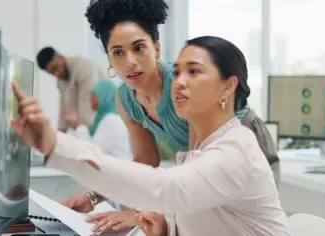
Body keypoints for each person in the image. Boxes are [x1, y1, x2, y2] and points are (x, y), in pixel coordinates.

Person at [11, 35, 291, 236]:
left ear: (228, 87)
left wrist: (54, 144)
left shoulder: (236, 149)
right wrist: (164, 229)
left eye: (194, 72)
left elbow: (168, 190)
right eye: (178, 71)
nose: (179, 81)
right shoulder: (199, 149)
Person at [60, 0, 280, 232]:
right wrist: (93, 197)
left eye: (138, 48)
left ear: (156, 48)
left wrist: (137, 215)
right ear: (109, 58)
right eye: (118, 53)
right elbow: (146, 161)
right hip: (201, 162)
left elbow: (188, 178)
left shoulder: (180, 88)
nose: (130, 62)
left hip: (241, 138)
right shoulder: (125, 99)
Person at [36, 47, 106, 132]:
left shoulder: (84, 68)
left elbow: (87, 111)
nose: (56, 74)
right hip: (89, 126)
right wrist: (59, 136)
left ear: (61, 57)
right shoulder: (60, 82)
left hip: (105, 121)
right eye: (51, 73)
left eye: (55, 68)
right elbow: (65, 110)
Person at [62, 79, 132, 160]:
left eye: (94, 95)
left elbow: (91, 152)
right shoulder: (103, 118)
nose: (90, 99)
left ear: (105, 96)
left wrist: (79, 125)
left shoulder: (111, 120)